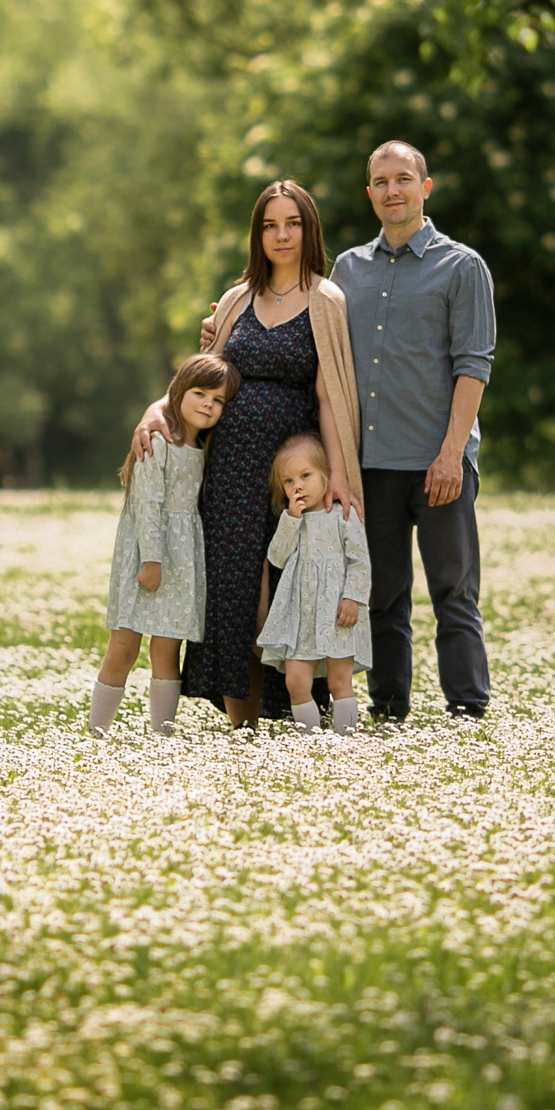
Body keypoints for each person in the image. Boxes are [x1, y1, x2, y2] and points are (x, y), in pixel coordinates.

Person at [137, 181, 362, 728]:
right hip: (232, 472)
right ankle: (244, 726)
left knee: (289, 594)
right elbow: (201, 381)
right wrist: (153, 414)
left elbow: (330, 396)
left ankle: (297, 713)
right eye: (269, 225)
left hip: (292, 471)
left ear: (309, 231)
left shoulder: (327, 300)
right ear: (257, 234)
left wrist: (339, 478)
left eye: (293, 224)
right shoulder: (238, 299)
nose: (281, 235)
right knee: (235, 595)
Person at [333, 141, 497, 721]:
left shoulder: (462, 266)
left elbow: (473, 365)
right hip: (372, 463)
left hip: (438, 463)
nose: (393, 190)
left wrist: (451, 454)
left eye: (404, 179)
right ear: (370, 193)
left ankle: (467, 708)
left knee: (454, 592)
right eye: (382, 181)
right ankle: (389, 707)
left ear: (425, 188)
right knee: (384, 595)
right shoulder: (347, 269)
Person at [92, 354, 238, 737]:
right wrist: (152, 561)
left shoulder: (203, 449)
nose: (208, 404)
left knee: (167, 649)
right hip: (146, 556)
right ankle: (96, 732)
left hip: (183, 559)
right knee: (124, 647)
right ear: (177, 392)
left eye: (218, 400)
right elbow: (147, 506)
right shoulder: (158, 442)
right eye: (200, 393)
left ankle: (162, 737)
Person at [256, 434, 371, 734]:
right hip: (301, 615)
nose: (298, 486)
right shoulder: (292, 519)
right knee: (295, 680)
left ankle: (345, 740)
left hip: (338, 612)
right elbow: (276, 558)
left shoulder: (342, 515)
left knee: (338, 681)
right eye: (288, 481)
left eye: (305, 476)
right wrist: (291, 520)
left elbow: (360, 561)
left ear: (326, 475)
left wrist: (352, 599)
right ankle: (311, 742)